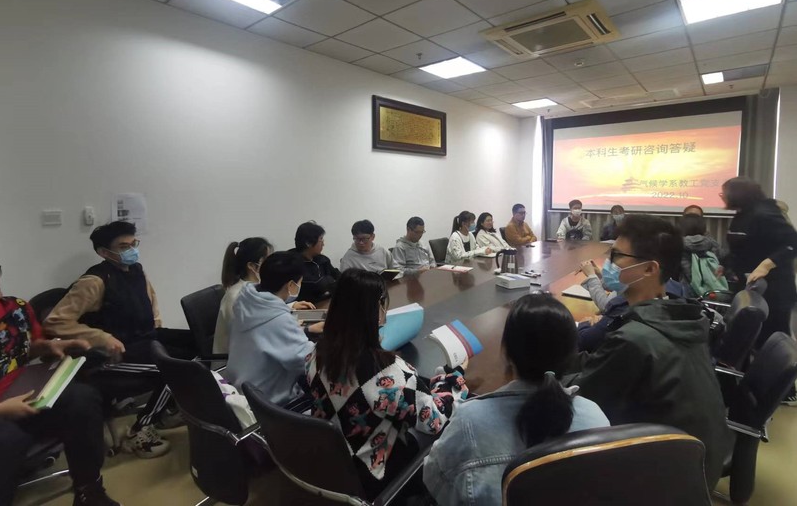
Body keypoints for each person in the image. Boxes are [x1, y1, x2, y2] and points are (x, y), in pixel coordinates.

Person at [569, 215, 732, 489]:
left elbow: (579, 396)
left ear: (649, 269)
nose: (608, 264)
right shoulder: (683, 317)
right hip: (696, 465)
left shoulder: (636, 338)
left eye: (616, 256)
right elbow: (604, 366)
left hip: (662, 480)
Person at [423, 293, 609, 506]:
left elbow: (434, 480)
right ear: (571, 356)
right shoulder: (596, 418)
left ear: (506, 354)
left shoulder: (469, 421)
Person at [307, 269, 467, 499]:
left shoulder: (315, 354)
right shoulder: (389, 372)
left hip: (327, 458)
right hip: (369, 472)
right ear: (378, 309)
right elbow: (435, 420)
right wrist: (453, 377)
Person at [44, 221, 197, 458]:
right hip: (110, 355)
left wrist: (157, 329)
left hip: (143, 338)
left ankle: (166, 411)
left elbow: (150, 303)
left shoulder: (136, 270)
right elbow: (54, 322)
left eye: (134, 244)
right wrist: (102, 337)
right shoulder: (94, 281)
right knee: (177, 368)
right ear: (104, 252)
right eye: (124, 246)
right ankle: (140, 430)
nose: (132, 250)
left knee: (197, 346)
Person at [0, 265, 122, 506]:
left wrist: (49, 346)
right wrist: (2, 410)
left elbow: (21, 349)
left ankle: (89, 491)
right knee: (9, 438)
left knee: (82, 399)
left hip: (22, 392)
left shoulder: (16, 308)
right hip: (3, 410)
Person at [224, 251, 323, 406]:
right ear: (291, 285)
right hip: (269, 403)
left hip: (239, 389)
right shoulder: (278, 319)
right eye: (300, 282)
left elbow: (269, 337)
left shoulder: (245, 301)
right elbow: (307, 362)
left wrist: (306, 331)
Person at [722, 178, 797, 351]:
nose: (722, 197)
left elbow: (792, 243)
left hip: (774, 289)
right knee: (750, 339)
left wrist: (766, 265)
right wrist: (726, 264)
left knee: (772, 340)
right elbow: (742, 246)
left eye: (724, 193)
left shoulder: (765, 213)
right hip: (750, 285)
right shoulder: (742, 214)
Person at [214, 237, 273, 355]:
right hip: (235, 361)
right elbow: (250, 336)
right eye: (267, 261)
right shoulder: (236, 297)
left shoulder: (255, 289)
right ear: (252, 266)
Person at [288, 221, 340, 304]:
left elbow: (338, 277)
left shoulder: (323, 260)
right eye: (321, 239)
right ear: (308, 243)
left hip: (326, 302)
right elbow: (314, 286)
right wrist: (329, 281)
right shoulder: (290, 261)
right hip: (303, 305)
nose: (323, 244)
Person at [679, 214, 727, 297]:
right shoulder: (712, 243)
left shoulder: (679, 246)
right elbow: (724, 262)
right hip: (715, 291)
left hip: (688, 293)